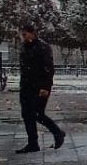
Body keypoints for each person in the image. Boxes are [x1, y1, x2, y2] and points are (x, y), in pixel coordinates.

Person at [16, 22, 66, 154]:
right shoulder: (24, 47)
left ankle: (58, 132)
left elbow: (48, 68)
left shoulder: (42, 47)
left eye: (25, 34)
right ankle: (33, 143)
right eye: (22, 35)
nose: (23, 37)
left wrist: (45, 86)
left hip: (40, 87)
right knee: (27, 115)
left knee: (38, 114)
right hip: (26, 86)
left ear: (32, 33)